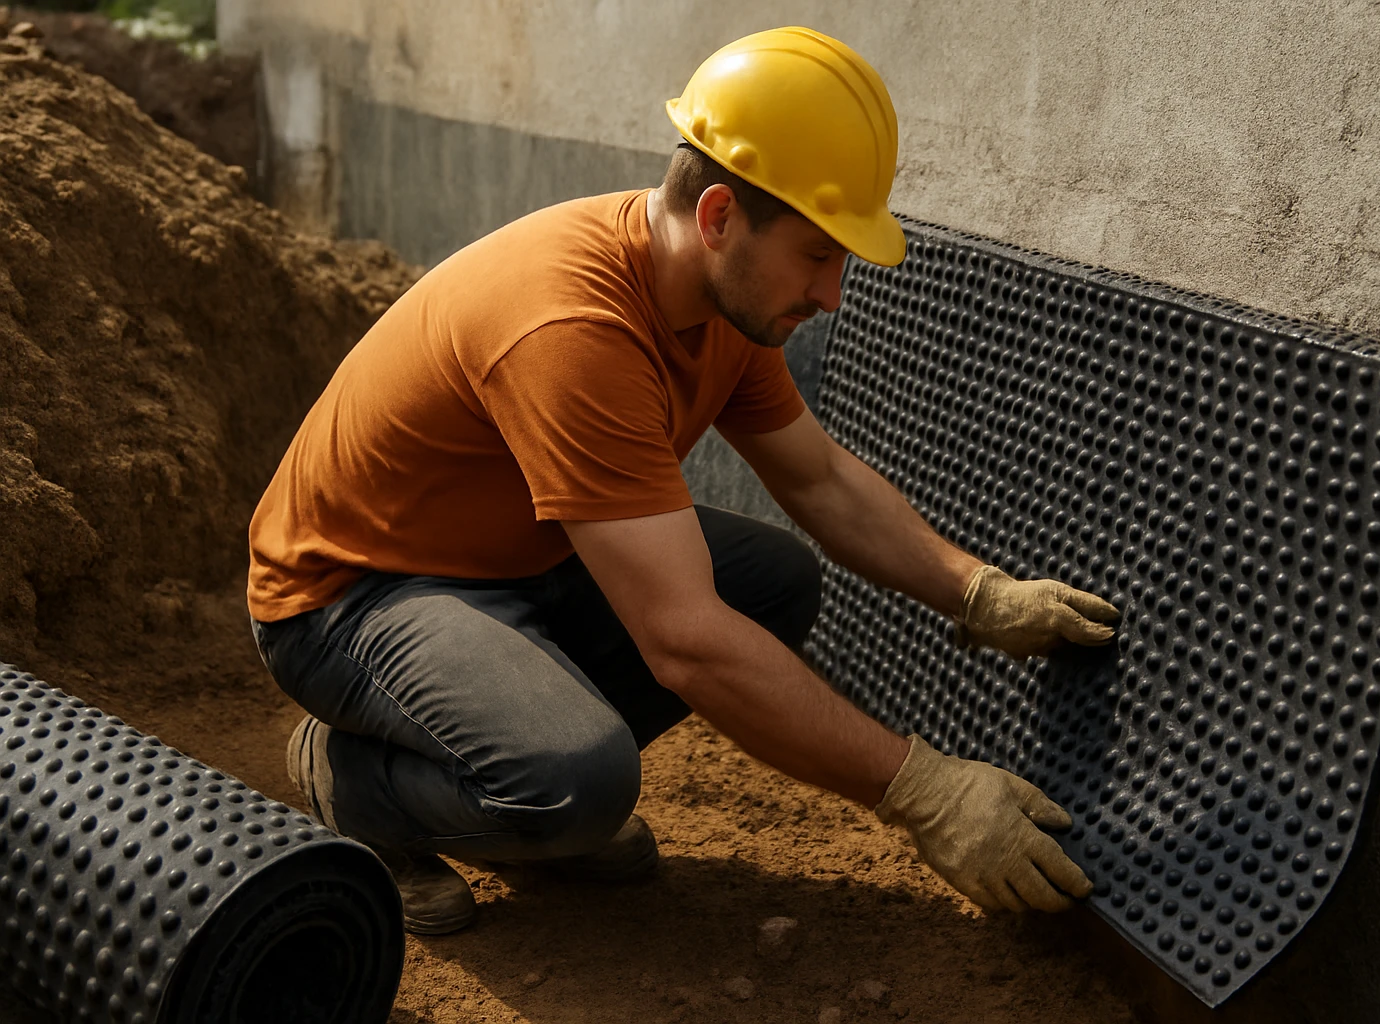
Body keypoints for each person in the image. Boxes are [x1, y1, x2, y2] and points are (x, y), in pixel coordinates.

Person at [247, 26, 1120, 936]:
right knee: (578, 781)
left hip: (506, 559)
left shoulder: (721, 303)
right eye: (819, 255)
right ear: (717, 219)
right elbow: (685, 644)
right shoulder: (573, 327)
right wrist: (924, 791)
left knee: (771, 580)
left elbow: (818, 479)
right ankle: (359, 783)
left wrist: (977, 593)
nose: (833, 296)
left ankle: (520, 796)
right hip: (349, 596)